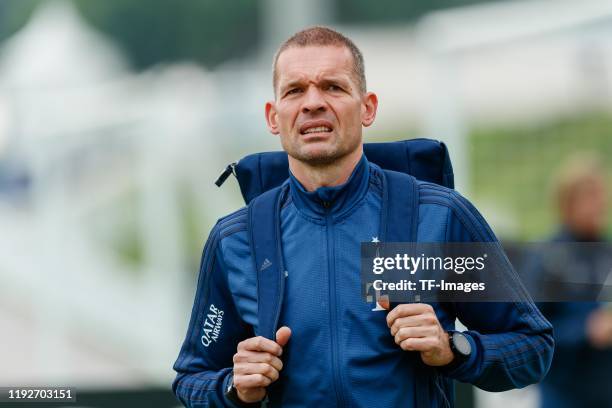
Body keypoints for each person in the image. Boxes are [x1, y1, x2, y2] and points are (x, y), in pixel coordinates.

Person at [172, 26, 553, 407]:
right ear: (274, 116)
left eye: (333, 87)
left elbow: (531, 346)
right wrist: (233, 389)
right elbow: (192, 379)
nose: (313, 103)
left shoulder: (437, 217)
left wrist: (453, 347)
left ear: (367, 107)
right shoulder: (236, 239)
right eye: (294, 90)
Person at [537, 155, 612, 408]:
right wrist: (585, 331)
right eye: (590, 196)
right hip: (565, 395)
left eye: (601, 195)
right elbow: (533, 334)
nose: (599, 204)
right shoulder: (548, 259)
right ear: (567, 203)